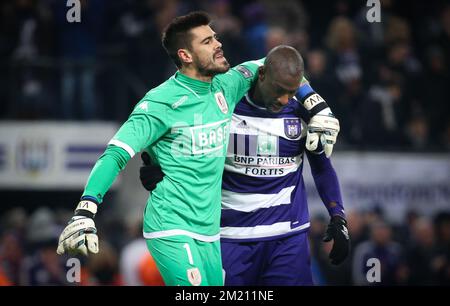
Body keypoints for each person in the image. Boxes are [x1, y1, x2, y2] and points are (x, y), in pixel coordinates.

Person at [57, 11, 339, 286]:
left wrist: (317, 105)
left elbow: (278, 60)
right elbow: (116, 153)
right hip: (172, 227)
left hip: (210, 232)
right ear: (185, 55)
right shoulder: (160, 102)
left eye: (215, 37)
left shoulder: (227, 85)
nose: (218, 44)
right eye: (207, 41)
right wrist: (86, 210)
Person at [141, 46, 349, 285]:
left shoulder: (303, 112)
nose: (283, 100)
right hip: (229, 237)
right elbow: (179, 133)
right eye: (279, 90)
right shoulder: (222, 104)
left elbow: (322, 167)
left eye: (291, 93)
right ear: (261, 74)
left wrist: (338, 216)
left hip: (287, 238)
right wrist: (162, 166)